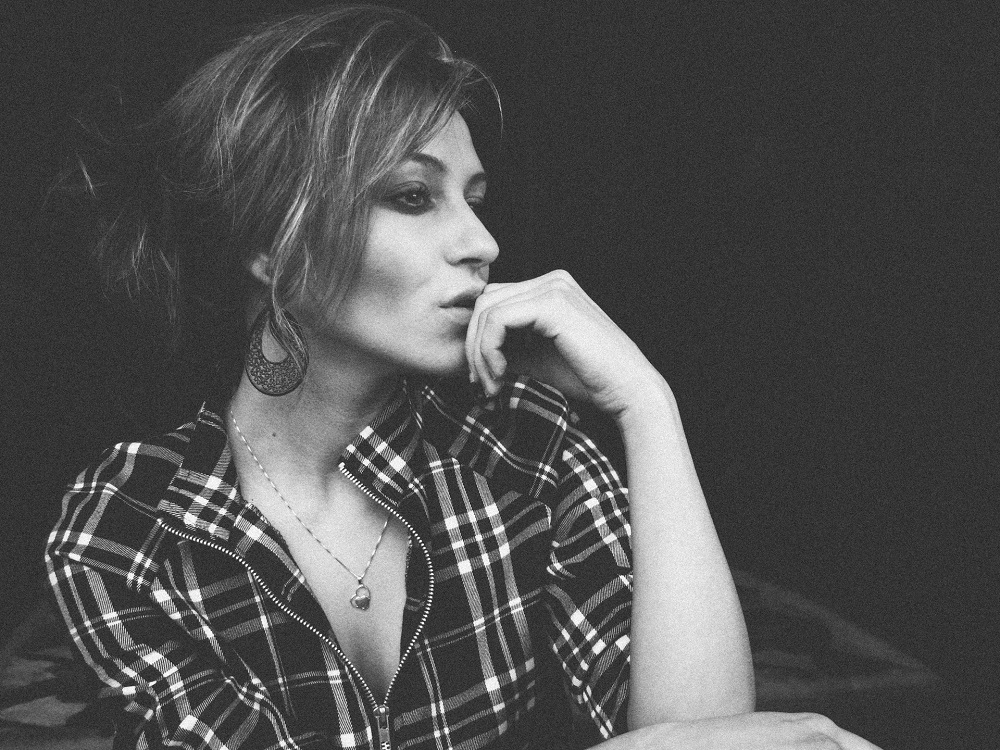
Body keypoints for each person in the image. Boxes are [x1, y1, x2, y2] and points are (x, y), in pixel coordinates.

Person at [45, 5, 882, 749]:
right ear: (273, 245)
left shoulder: (523, 448)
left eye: (475, 198)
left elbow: (714, 738)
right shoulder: (129, 529)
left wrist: (646, 405)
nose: (479, 241)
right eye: (414, 197)